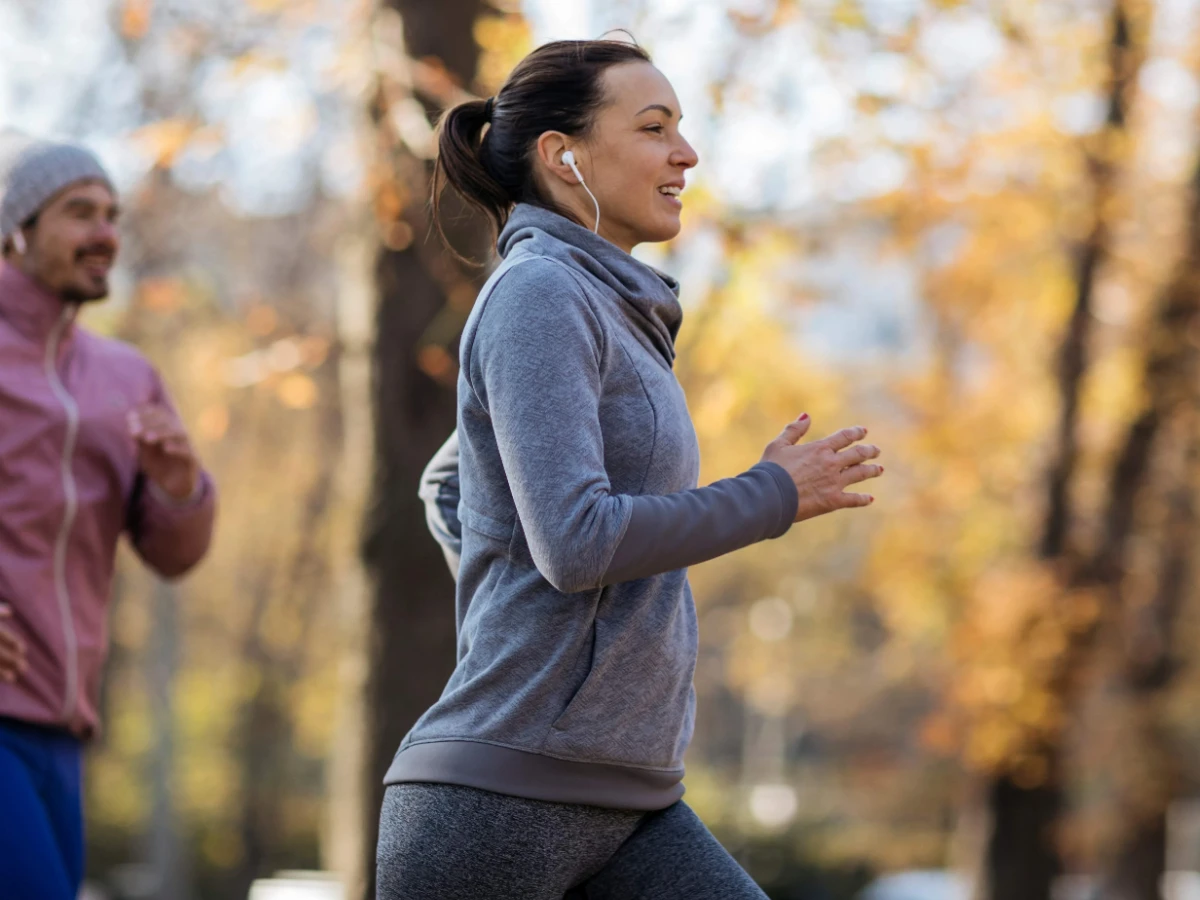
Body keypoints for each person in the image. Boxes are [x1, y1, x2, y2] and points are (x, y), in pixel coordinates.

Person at [376, 39, 884, 900]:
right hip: (500, 804)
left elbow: (454, 483)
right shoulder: (540, 294)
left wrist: (522, 616)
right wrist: (773, 494)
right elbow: (575, 542)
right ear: (561, 155)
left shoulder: (613, 308)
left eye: (681, 128)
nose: (685, 153)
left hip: (633, 802)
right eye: (654, 128)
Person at [0, 132, 217, 899]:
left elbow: (174, 554)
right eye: (78, 213)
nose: (104, 235)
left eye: (112, 216)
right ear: (15, 230)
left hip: (64, 723)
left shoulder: (125, 376)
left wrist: (179, 485)